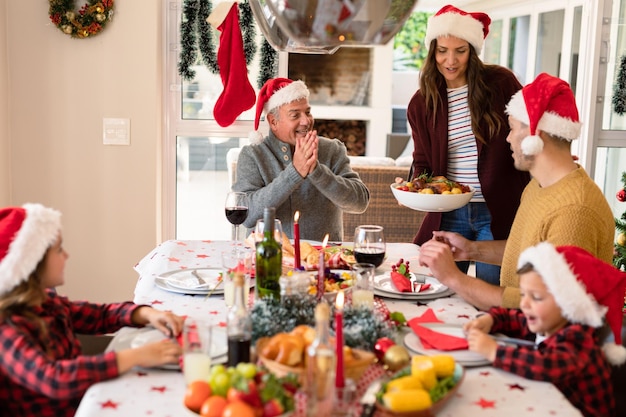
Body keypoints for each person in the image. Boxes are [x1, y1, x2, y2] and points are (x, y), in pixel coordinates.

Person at [419, 72, 615, 310]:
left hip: (538, 342)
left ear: (536, 134)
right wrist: (471, 249)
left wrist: (453, 278)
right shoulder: (538, 187)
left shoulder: (574, 211)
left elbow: (549, 309)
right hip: (517, 327)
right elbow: (527, 254)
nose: (508, 139)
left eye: (511, 128)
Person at [0, 203, 184, 416]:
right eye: (59, 249)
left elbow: (100, 315)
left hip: (83, 401)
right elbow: (56, 379)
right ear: (33, 265)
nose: (66, 255)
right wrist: (137, 356)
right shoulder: (7, 333)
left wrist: (145, 313)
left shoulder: (46, 301)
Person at [407, 5, 530, 285]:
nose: (450, 60)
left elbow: (528, 131)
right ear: (432, 51)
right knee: (440, 290)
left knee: (494, 295)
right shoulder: (421, 103)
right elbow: (423, 162)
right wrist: (416, 186)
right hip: (449, 213)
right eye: (442, 50)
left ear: (472, 51)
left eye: (460, 51)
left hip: (498, 210)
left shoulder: (501, 83)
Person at [464, 241, 626, 417]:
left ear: (567, 303)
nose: (524, 304)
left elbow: (544, 365)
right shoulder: (549, 323)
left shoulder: (578, 339)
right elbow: (516, 319)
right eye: (523, 294)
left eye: (536, 297)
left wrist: (494, 351)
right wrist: (492, 319)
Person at [233, 77, 370, 242]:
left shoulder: (332, 149)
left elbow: (360, 203)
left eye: (308, 112)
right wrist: (294, 173)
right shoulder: (252, 156)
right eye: (295, 115)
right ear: (273, 121)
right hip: (268, 256)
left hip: (323, 258)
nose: (306, 121)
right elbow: (246, 216)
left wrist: (317, 171)